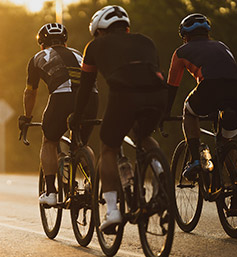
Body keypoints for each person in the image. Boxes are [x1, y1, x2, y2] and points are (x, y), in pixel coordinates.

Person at [69, 6, 167, 230]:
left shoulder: (94, 46)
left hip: (124, 94)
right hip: (158, 94)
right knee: (143, 136)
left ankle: (112, 211)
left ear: (100, 30)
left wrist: (77, 117)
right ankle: (162, 174)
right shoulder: (146, 41)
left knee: (108, 148)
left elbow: (85, 87)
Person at [18, 23, 98, 206]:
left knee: (50, 141)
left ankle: (51, 192)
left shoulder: (38, 57)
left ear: (41, 44)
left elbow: (30, 92)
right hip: (91, 97)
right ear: (65, 42)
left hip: (62, 97)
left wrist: (27, 117)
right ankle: (93, 184)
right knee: (81, 144)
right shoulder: (79, 54)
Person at [166, 14, 237, 180]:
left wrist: (165, 113)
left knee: (189, 110)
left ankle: (195, 160)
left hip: (211, 85)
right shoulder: (222, 46)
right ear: (207, 34)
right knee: (226, 142)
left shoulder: (181, 52)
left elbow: (172, 87)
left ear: (185, 37)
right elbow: (229, 70)